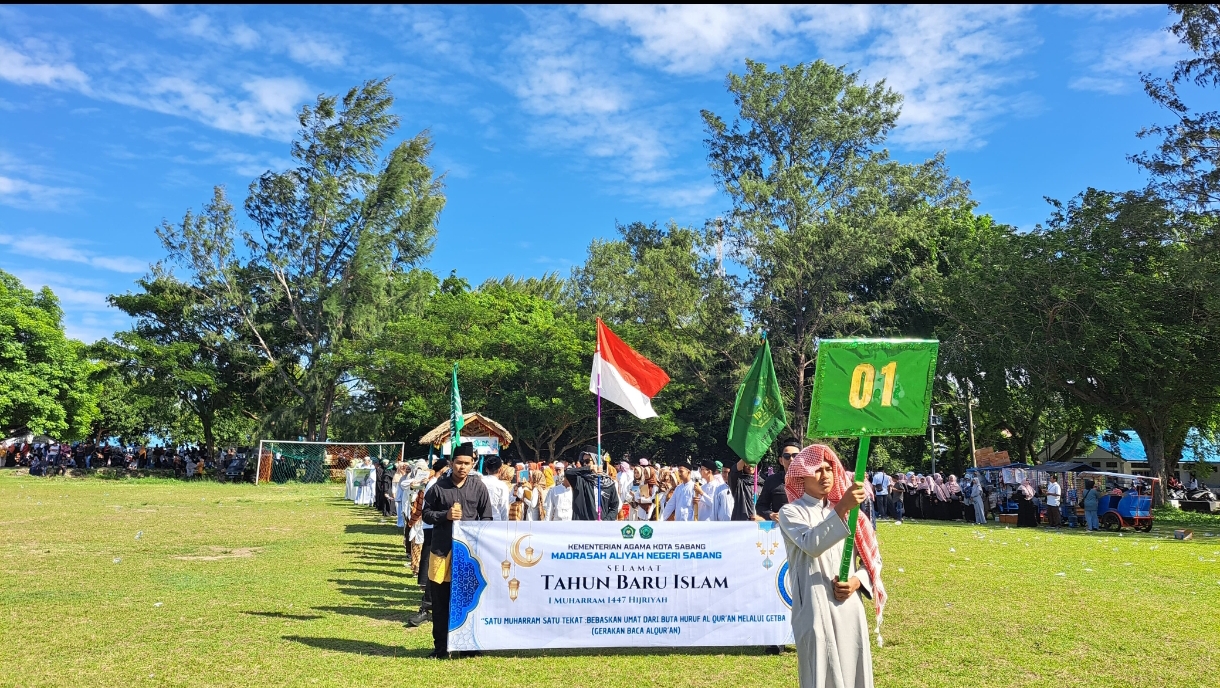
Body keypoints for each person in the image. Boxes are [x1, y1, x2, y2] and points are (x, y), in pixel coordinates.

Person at [778, 444, 884, 688]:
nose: (825, 475)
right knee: (822, 674)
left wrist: (856, 582)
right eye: (817, 470)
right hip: (815, 605)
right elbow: (812, 543)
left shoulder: (851, 515)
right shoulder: (791, 512)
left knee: (856, 671)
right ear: (801, 477)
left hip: (849, 605)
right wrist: (843, 507)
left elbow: (871, 560)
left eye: (829, 469)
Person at [420, 444, 491, 659]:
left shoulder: (478, 488)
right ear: (451, 463)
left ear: (473, 464)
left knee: (468, 601)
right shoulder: (438, 487)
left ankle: (469, 647)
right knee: (441, 603)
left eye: (467, 463)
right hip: (442, 552)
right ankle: (441, 648)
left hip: (469, 554)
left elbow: (487, 518)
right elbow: (426, 514)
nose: (462, 467)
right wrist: (445, 516)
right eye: (458, 462)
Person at [407, 458, 447, 628]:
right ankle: (427, 607)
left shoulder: (474, 487)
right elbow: (428, 510)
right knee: (434, 568)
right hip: (436, 529)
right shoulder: (435, 485)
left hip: (458, 535)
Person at [564, 447, 620, 521]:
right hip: (581, 526)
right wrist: (589, 468)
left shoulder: (608, 483)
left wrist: (606, 522)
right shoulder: (579, 479)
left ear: (596, 460)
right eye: (582, 461)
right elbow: (568, 473)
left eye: (587, 461)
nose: (584, 464)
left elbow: (614, 507)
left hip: (602, 527)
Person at [757, 439, 799, 523]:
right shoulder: (772, 481)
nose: (791, 459)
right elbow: (760, 506)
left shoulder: (810, 480)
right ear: (781, 461)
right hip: (780, 530)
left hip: (806, 529)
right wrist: (771, 515)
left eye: (795, 455)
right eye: (787, 456)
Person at [480, 455, 511, 521]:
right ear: (500, 470)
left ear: (486, 469)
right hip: (496, 522)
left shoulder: (479, 483)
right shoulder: (502, 486)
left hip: (480, 521)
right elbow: (504, 508)